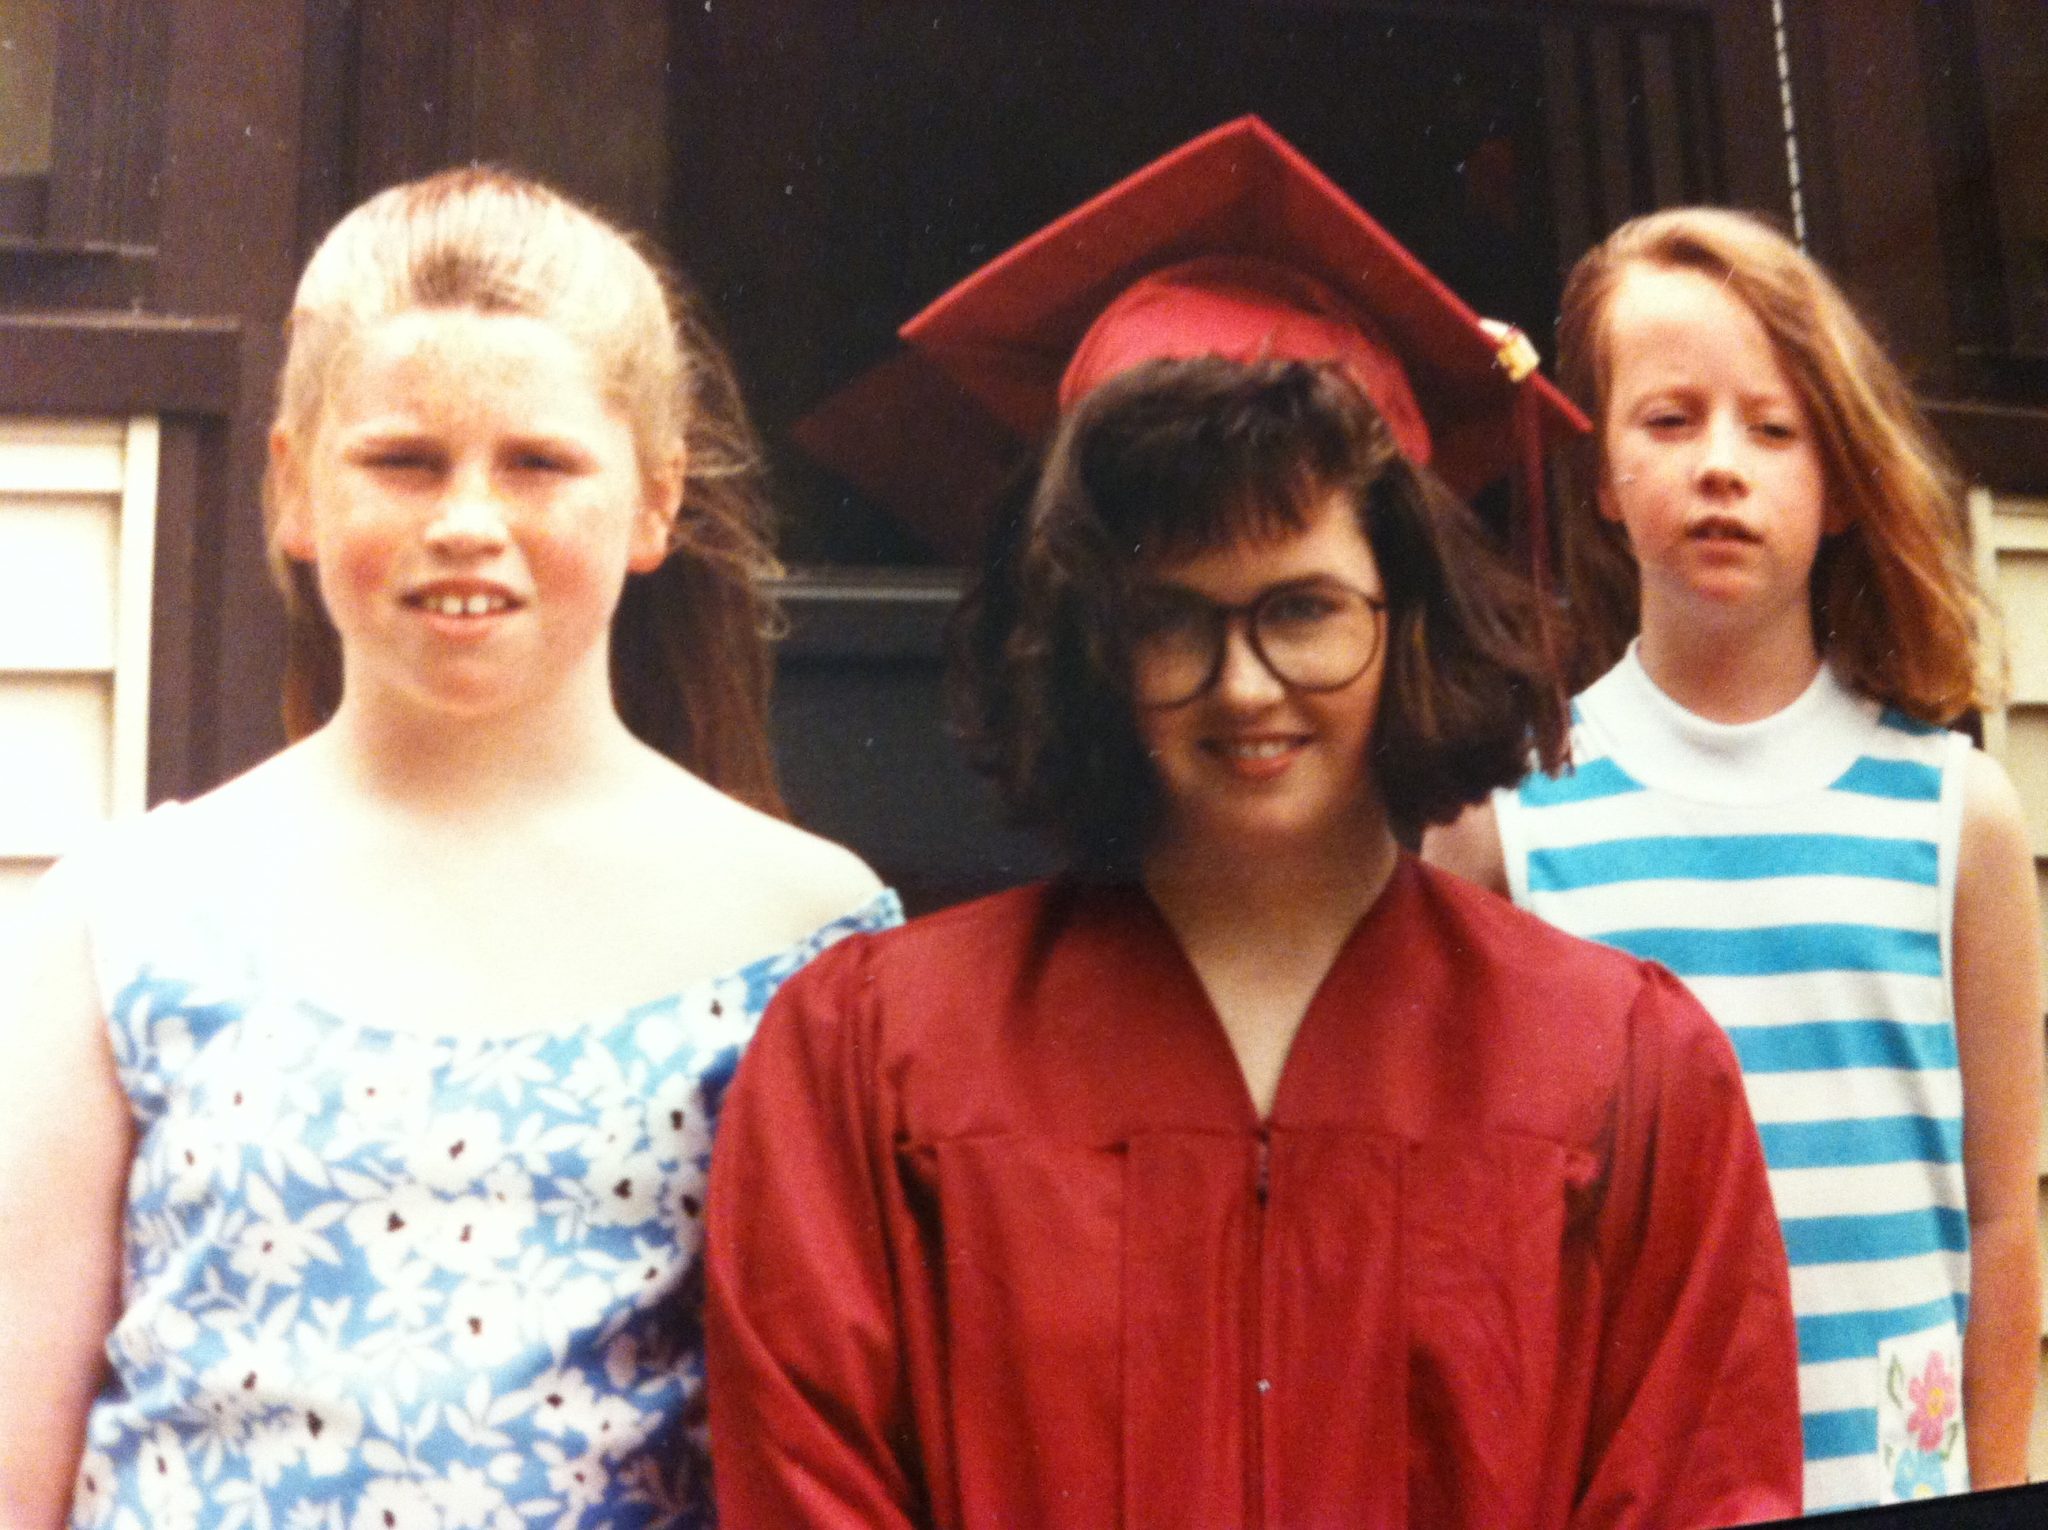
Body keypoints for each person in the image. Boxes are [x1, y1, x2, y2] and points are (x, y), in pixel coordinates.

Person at [706, 119, 1802, 1529]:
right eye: (1168, 619)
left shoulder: (1622, 1070)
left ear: (1411, 609)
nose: (1241, 685)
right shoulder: (871, 1060)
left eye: (1303, 609)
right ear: (1085, 640)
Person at [0, 167, 895, 1528]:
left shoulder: (808, 940)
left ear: (655, 502)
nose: (467, 519)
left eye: (538, 463)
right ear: (295, 489)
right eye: (404, 461)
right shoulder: (121, 923)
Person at [1424, 206, 2043, 1512]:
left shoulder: (1959, 812)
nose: (1721, 465)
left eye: (1774, 428)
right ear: (1601, 475)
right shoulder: (1507, 819)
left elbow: (2003, 1218)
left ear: (1841, 484)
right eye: (1669, 419)